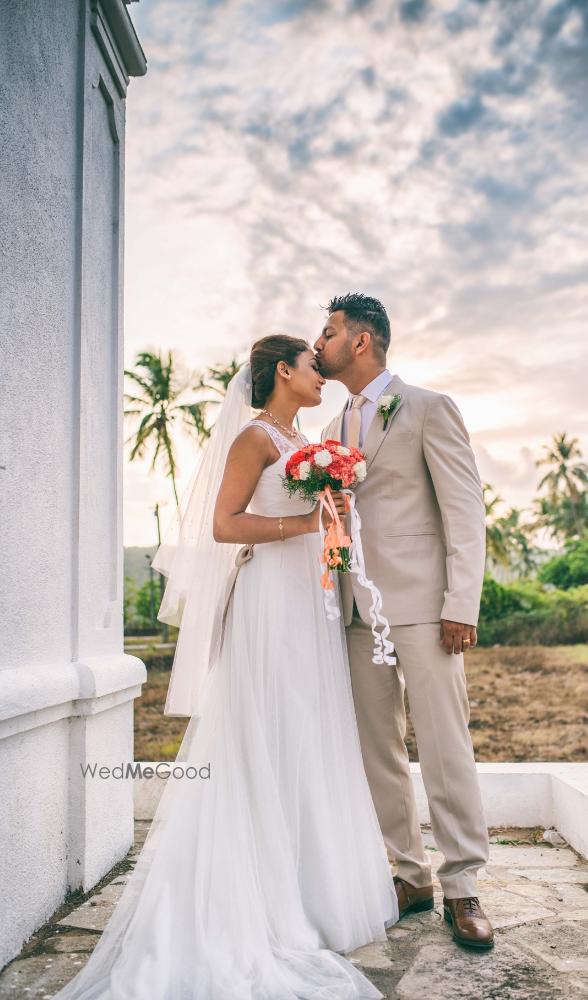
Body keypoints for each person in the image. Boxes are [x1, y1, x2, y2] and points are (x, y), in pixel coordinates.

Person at [54, 335, 397, 1000]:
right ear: (282, 372)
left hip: (310, 598)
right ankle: (260, 895)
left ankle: (309, 888)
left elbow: (309, 514)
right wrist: (306, 525)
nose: (321, 375)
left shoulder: (303, 438)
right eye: (311, 366)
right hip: (268, 597)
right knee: (268, 728)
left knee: (307, 730)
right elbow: (224, 524)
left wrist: (331, 517)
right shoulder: (254, 438)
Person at [316, 294, 494, 949]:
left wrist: (460, 604)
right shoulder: (332, 426)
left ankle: (463, 884)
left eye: (328, 333)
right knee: (377, 751)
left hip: (424, 609)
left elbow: (464, 510)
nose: (319, 343)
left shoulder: (426, 407)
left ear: (360, 341)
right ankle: (410, 875)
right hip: (356, 612)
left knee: (445, 745)